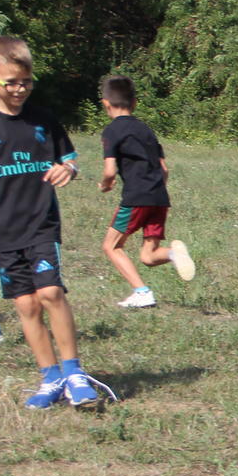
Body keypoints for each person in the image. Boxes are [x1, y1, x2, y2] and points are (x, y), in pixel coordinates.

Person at [0, 36, 113, 408]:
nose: (20, 89)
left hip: (41, 223)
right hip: (1, 229)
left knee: (51, 293)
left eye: (27, 82)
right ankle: (50, 378)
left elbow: (69, 160)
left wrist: (68, 169)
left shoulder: (43, 119)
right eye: (11, 83)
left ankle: (74, 373)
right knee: (26, 306)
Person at [96, 75, 195, 307]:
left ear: (105, 103)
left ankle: (142, 292)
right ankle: (173, 254)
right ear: (135, 103)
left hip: (136, 198)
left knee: (111, 246)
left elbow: (109, 171)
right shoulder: (146, 130)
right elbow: (164, 169)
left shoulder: (112, 131)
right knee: (148, 256)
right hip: (159, 197)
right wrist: (155, 190)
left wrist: (105, 184)